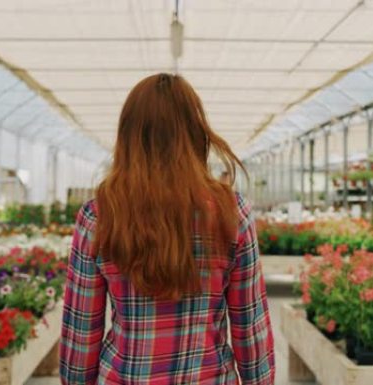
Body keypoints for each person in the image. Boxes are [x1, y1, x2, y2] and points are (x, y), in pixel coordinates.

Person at [59, 73, 275, 385]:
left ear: (129, 135)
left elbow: (81, 331)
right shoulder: (230, 213)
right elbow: (250, 325)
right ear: (195, 132)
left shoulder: (101, 215)